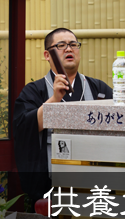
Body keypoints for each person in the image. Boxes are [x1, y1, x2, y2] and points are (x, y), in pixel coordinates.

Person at [13, 28, 113, 205]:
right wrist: (54, 99)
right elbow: (23, 127)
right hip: (52, 187)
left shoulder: (98, 88)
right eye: (61, 45)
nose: (69, 49)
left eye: (73, 45)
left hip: (95, 184)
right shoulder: (34, 91)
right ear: (47, 54)